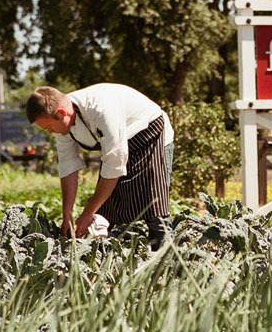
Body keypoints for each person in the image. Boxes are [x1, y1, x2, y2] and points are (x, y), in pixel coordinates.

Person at [25, 83, 174, 250]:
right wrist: (67, 213)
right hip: (118, 147)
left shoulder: (102, 110)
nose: (50, 133)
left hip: (150, 137)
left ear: (60, 113)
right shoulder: (62, 124)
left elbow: (114, 165)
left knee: (154, 207)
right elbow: (68, 166)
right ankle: (110, 256)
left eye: (49, 128)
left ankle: (167, 262)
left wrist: (87, 213)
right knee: (105, 210)